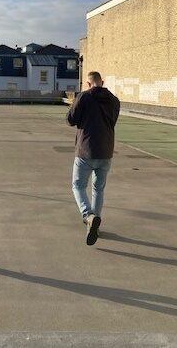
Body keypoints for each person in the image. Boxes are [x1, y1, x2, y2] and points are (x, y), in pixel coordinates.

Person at [67, 71, 120, 246]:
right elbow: (112, 122)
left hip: (86, 150)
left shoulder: (84, 97)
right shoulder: (114, 100)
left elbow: (70, 119)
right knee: (98, 189)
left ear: (88, 84)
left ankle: (88, 215)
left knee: (78, 185)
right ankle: (94, 226)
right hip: (106, 150)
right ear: (102, 82)